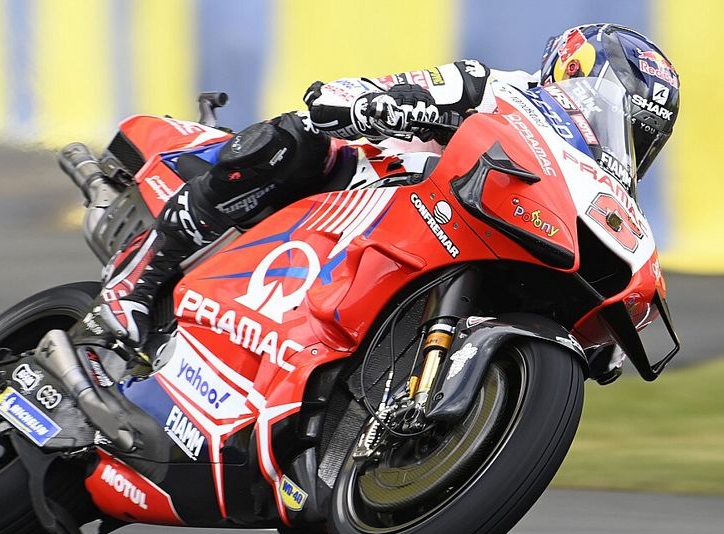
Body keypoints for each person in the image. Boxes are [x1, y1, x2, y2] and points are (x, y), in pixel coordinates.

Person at [95, 23, 680, 350]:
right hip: (368, 190)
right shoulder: (492, 86)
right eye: (610, 111)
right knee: (300, 141)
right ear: (569, 72)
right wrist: (374, 104)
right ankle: (142, 281)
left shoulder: (594, 188)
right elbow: (384, 90)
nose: (613, 132)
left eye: (635, 133)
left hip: (445, 247)